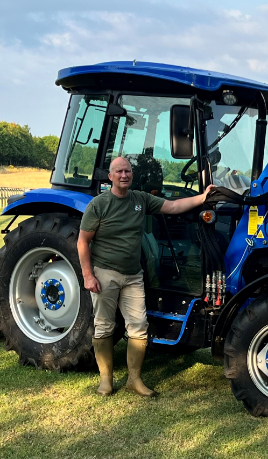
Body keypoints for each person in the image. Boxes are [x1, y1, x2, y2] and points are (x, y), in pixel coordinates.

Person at [77, 157, 214, 397]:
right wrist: (88, 275)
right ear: (110, 177)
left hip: (133, 276)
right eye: (119, 171)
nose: (124, 175)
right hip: (105, 273)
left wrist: (202, 198)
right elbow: (83, 241)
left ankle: (134, 380)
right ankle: (106, 381)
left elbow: (172, 207)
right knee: (104, 326)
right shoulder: (99, 205)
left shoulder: (140, 199)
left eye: (127, 171)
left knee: (139, 327)